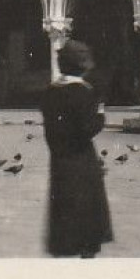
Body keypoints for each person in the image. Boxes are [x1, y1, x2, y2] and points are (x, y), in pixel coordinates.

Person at [41, 40, 112, 258]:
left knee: (64, 208)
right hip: (82, 161)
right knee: (86, 213)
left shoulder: (50, 92)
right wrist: (100, 114)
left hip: (59, 160)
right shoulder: (83, 92)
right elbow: (87, 129)